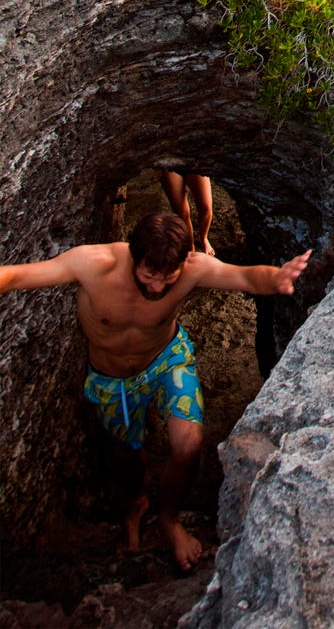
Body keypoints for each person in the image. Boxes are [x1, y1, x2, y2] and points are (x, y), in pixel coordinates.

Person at [0, 212, 311, 572]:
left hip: (167, 359)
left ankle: (169, 520)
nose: (159, 288)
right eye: (149, 276)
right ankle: (135, 504)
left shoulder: (193, 267)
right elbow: (19, 275)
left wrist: (277, 278)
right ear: (134, 256)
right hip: (111, 379)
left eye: (169, 279)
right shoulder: (91, 263)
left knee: (189, 443)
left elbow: (242, 275)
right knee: (127, 455)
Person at [160, 171, 215, 256]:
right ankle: (190, 245)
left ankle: (203, 237)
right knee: (182, 212)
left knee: (206, 208)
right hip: (170, 162)